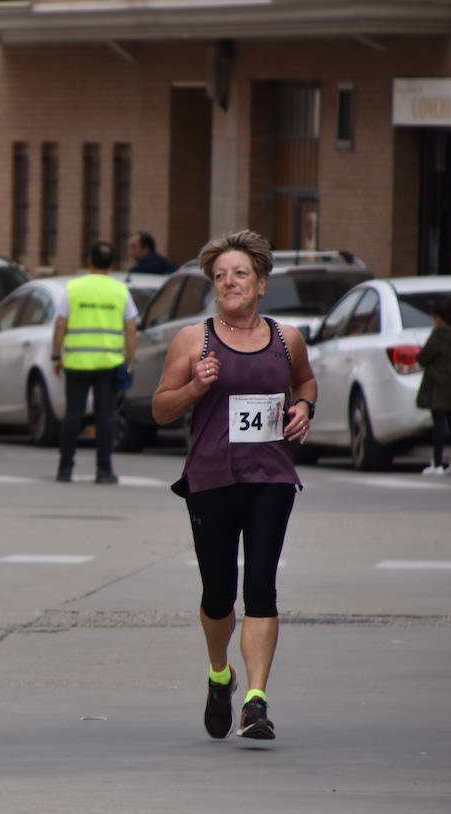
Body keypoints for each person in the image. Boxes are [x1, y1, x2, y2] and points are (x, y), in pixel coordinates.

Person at [152, 229, 316, 742]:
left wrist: (304, 407)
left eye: (239, 273)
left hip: (271, 477)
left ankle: (256, 699)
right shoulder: (192, 340)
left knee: (262, 584)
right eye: (220, 276)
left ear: (261, 283)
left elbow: (306, 381)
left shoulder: (286, 339)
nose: (229, 282)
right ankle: (219, 673)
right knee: (219, 594)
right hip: (211, 479)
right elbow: (160, 409)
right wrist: (195, 386)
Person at [51, 241, 137, 484]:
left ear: (89, 261)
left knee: (73, 416)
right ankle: (104, 470)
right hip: (109, 363)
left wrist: (56, 356)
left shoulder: (73, 288)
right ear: (112, 264)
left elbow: (60, 323)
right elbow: (131, 329)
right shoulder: (120, 291)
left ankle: (65, 469)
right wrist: (128, 362)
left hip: (77, 362)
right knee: (105, 417)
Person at [415, 297, 451, 475]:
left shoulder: (438, 335)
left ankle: (437, 464)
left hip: (437, 386)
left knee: (439, 425)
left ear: (439, 318)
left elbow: (423, 358)